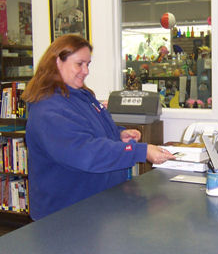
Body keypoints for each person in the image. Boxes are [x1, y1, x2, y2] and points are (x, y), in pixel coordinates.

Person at [22, 34, 175, 220]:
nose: (86, 71)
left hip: (94, 205)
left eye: (88, 64)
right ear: (57, 62)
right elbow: (86, 152)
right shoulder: (48, 109)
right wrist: (140, 151)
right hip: (64, 215)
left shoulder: (81, 95)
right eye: (80, 64)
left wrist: (119, 135)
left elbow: (91, 131)